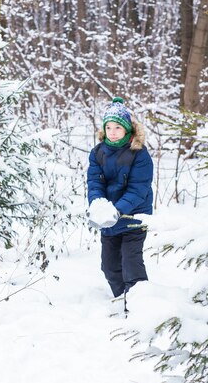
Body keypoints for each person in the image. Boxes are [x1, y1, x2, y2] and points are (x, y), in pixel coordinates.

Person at [87, 97, 154, 301]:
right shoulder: (98, 153)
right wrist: (98, 205)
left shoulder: (139, 154)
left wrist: (117, 210)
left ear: (127, 129)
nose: (113, 131)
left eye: (118, 127)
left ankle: (139, 303)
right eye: (109, 127)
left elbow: (138, 189)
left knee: (131, 264)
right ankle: (122, 298)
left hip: (134, 217)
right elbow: (94, 182)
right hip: (108, 220)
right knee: (109, 266)